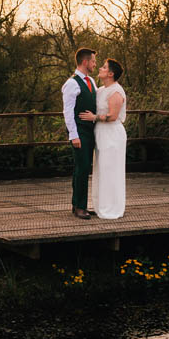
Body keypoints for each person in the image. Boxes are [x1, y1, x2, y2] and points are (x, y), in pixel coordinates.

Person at [81, 58, 126, 219]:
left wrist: (94, 117)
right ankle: (101, 205)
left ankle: (112, 207)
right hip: (101, 134)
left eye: (104, 67)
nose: (100, 68)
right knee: (101, 169)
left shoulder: (116, 92)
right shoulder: (100, 90)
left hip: (112, 134)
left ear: (111, 74)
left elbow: (112, 116)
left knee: (110, 170)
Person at [61, 48, 97, 219]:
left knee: (83, 168)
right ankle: (80, 207)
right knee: (82, 169)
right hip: (79, 132)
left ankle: (77, 204)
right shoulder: (72, 83)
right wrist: (74, 135)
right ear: (85, 62)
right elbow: (68, 112)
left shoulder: (91, 81)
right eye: (93, 61)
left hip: (91, 132)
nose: (95, 64)